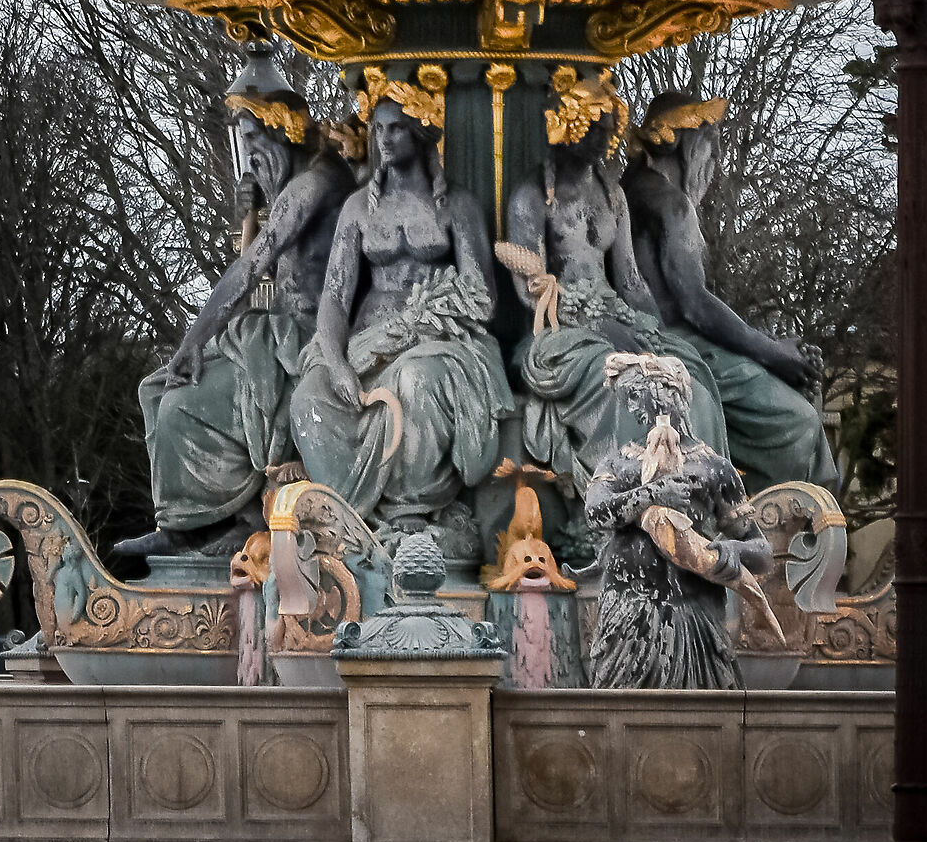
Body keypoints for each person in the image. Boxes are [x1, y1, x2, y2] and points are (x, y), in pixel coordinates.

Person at [118, 51, 358, 561]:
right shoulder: (294, 184)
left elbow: (248, 271)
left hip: (304, 341)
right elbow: (260, 267)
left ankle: (196, 528)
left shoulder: (316, 182)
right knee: (155, 389)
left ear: (282, 130)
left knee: (182, 405)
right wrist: (250, 214)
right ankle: (214, 518)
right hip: (272, 331)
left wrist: (193, 341)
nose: (248, 157)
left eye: (253, 142)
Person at [290, 65, 514, 541]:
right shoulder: (357, 209)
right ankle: (343, 518)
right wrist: (334, 361)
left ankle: (410, 510)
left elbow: (482, 297)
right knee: (310, 395)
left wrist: (428, 317)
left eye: (395, 128)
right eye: (376, 128)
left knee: (415, 380)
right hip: (370, 338)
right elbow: (334, 298)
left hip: (440, 338)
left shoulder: (457, 205)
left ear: (419, 130)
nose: (383, 138)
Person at [498, 68, 729, 500]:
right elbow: (525, 292)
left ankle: (702, 496)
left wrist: (657, 334)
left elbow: (630, 281)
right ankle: (624, 495)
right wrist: (593, 328)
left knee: (688, 372)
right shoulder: (531, 197)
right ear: (570, 126)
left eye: (611, 129)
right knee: (625, 382)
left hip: (614, 313)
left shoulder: (613, 196)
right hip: (555, 329)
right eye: (597, 128)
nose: (608, 140)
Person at [623, 89, 840, 491]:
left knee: (795, 398)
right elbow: (695, 304)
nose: (714, 161)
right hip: (674, 343)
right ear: (687, 144)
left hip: (659, 337)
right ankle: (783, 522)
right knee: (797, 418)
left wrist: (767, 345)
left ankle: (800, 509)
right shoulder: (669, 204)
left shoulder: (630, 189)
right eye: (711, 145)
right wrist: (770, 350)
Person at [585, 350, 773, 689]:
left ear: (668, 397)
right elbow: (597, 512)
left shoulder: (714, 469)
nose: (630, 409)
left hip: (695, 617)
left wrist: (732, 549)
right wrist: (652, 494)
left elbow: (761, 550)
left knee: (703, 723)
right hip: (629, 615)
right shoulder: (618, 464)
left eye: (634, 397)